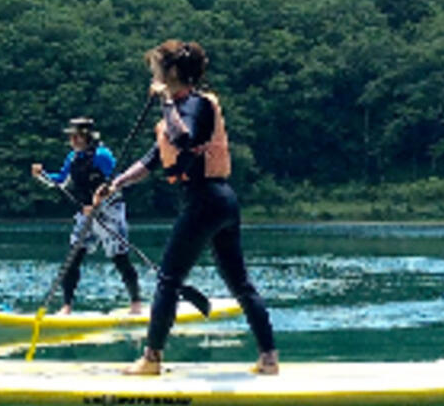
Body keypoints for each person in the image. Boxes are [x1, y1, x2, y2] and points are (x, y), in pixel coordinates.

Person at [92, 40, 278, 375]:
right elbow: (152, 159)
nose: (153, 77)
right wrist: (115, 184)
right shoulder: (175, 112)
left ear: (173, 73)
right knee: (238, 283)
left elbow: (186, 139)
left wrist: (164, 99)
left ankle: (151, 359)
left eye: (156, 70)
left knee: (168, 279)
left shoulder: (197, 105)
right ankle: (268, 359)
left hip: (207, 200)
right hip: (217, 202)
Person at [33, 116, 143, 315]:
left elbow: (117, 183)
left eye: (77, 137)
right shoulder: (73, 157)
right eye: (71, 137)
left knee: (120, 258)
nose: (73, 141)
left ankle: (136, 303)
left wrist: (99, 202)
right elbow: (60, 180)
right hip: (85, 212)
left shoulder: (103, 155)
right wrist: (42, 174)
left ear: (88, 137)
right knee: (73, 258)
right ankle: (66, 306)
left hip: (110, 211)